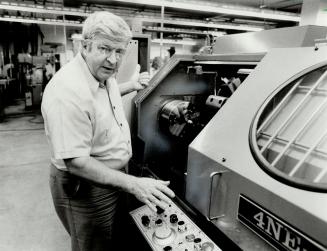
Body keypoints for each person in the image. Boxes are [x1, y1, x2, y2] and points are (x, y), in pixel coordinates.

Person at [41, 11, 175, 251]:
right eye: (104, 49)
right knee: (91, 245)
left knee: (111, 240)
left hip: (111, 177)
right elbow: (77, 162)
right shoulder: (67, 92)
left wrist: (131, 86)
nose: (113, 60)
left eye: (119, 51)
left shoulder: (100, 74)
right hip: (85, 185)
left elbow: (100, 98)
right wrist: (134, 184)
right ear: (85, 46)